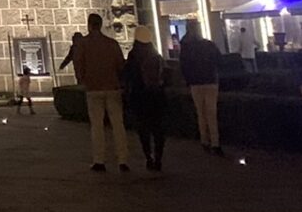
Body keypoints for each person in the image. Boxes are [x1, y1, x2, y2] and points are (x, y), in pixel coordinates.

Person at [73, 13, 130, 173]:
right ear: (101, 24)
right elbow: (121, 64)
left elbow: (78, 64)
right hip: (112, 88)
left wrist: (82, 80)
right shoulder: (111, 43)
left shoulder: (83, 44)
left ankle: (99, 160)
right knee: (118, 125)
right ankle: (123, 160)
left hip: (93, 89)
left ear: (89, 25)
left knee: (97, 126)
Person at [124, 25, 168, 172]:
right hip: (156, 96)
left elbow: (127, 76)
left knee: (143, 130)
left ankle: (148, 158)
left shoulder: (133, 55)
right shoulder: (156, 55)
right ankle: (159, 159)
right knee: (158, 129)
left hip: (140, 97)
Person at [178, 19, 225, 156]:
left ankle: (205, 140)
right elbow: (220, 61)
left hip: (195, 83)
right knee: (212, 112)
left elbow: (183, 66)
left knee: (201, 112)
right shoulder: (209, 45)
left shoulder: (186, 47)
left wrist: (188, 80)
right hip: (211, 81)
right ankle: (215, 143)